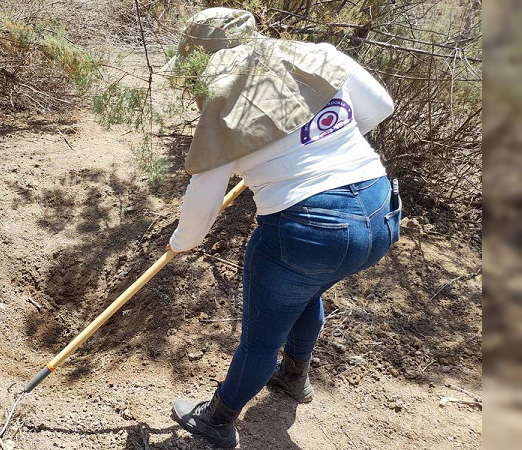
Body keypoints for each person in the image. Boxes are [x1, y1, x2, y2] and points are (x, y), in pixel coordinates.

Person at [162, 7, 401, 448]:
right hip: (379, 209)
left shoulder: (222, 106)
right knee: (306, 289)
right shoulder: (317, 56)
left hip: (308, 229)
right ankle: (294, 376)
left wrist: (182, 242)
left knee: (259, 337)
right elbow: (380, 107)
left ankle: (217, 417)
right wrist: (326, 146)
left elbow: (202, 202)